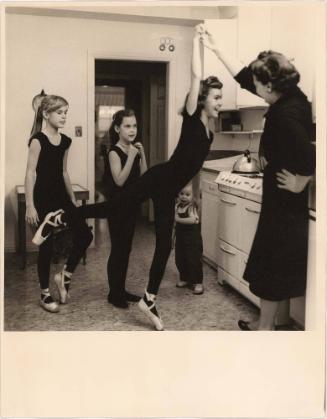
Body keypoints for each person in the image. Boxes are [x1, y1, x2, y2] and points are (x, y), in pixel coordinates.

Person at [33, 24, 223, 330]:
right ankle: (61, 219)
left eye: (221, 97)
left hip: (169, 187)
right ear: (201, 100)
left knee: (163, 245)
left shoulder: (209, 132)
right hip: (160, 180)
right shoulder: (191, 117)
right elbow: (196, 78)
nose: (219, 102)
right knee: (113, 208)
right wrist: (201, 42)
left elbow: (194, 165)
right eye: (215, 97)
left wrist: (192, 189)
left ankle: (148, 300)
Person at [202, 29, 315, 330]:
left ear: (268, 85)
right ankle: (272, 323)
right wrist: (217, 48)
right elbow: (243, 76)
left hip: (284, 203)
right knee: (278, 267)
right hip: (284, 202)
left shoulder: (285, 115)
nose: (252, 87)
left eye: (256, 84)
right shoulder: (292, 97)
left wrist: (302, 180)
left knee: (272, 268)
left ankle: (264, 330)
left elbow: (309, 153)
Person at [25, 94, 93, 313]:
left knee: (85, 234)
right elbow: (29, 174)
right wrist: (29, 205)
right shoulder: (38, 140)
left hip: (61, 197)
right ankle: (45, 294)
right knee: (46, 247)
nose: (64, 117)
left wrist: (72, 199)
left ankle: (64, 275)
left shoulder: (65, 141)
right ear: (46, 114)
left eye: (66, 112)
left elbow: (63, 172)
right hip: (43, 197)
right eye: (59, 112)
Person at [104, 109, 147, 308]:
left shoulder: (134, 150)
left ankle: (121, 290)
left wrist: (142, 154)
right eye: (127, 126)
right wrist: (131, 156)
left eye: (134, 126)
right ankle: (114, 293)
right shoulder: (114, 151)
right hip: (117, 208)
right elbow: (119, 180)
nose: (132, 130)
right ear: (117, 128)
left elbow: (144, 178)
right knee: (118, 250)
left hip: (131, 207)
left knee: (126, 249)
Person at [174, 183, 204, 294]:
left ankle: (198, 282)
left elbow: (192, 220)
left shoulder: (192, 207)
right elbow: (175, 225)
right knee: (180, 258)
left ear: (192, 196)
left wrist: (177, 219)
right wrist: (173, 238)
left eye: (187, 194)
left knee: (193, 259)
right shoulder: (177, 206)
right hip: (181, 238)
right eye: (181, 194)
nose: (184, 196)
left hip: (192, 239)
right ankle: (184, 278)